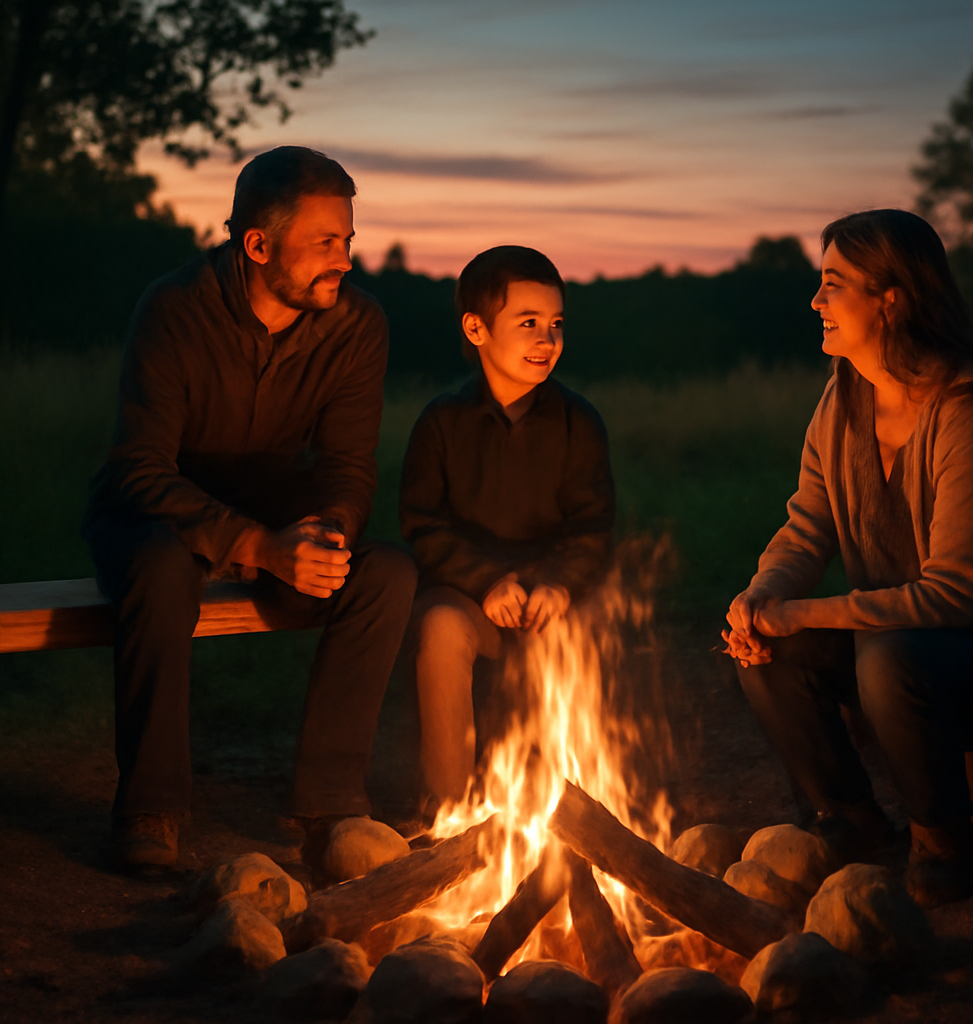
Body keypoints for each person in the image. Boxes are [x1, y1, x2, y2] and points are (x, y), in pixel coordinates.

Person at [723, 209, 973, 907]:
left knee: (887, 654)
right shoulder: (843, 399)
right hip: (898, 642)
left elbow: (951, 595)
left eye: (834, 284)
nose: (816, 301)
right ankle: (850, 820)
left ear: (889, 299)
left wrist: (803, 611)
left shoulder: (971, 406)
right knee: (763, 649)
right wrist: (761, 598)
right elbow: (807, 527)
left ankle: (944, 842)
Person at [84, 146, 417, 871]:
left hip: (274, 507)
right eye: (325, 243)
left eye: (348, 240)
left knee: (385, 572)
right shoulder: (175, 309)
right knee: (162, 568)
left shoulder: (356, 325)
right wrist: (261, 548)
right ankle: (151, 808)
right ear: (258, 245)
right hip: (155, 512)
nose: (346, 260)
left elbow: (348, 467)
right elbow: (140, 467)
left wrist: (327, 533)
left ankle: (330, 806)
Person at [399, 245, 615, 813]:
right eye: (528, 324)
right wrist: (486, 581)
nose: (547, 340)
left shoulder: (578, 422)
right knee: (442, 630)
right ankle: (447, 811)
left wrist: (559, 583)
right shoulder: (442, 423)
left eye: (556, 324)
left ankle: (558, 808)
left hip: (550, 594)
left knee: (579, 629)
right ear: (476, 328)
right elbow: (423, 526)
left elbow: (592, 525)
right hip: (470, 596)